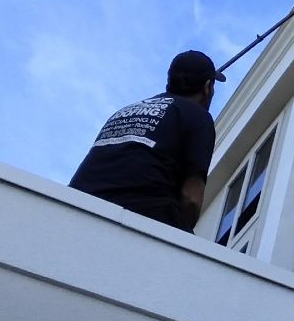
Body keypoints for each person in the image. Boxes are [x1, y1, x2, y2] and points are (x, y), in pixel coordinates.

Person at [69, 51, 224, 232]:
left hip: (75, 207)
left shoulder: (124, 111)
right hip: (141, 221)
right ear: (207, 87)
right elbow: (191, 199)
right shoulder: (198, 117)